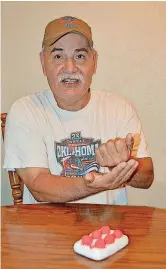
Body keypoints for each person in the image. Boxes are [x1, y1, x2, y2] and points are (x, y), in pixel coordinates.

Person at [3, 16, 154, 205]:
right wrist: (92, 185)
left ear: (94, 61)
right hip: (46, 230)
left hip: (107, 231)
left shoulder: (119, 108)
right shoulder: (25, 110)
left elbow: (147, 177)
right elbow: (38, 185)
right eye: (58, 56)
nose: (70, 67)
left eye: (79, 56)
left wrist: (124, 167)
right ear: (43, 62)